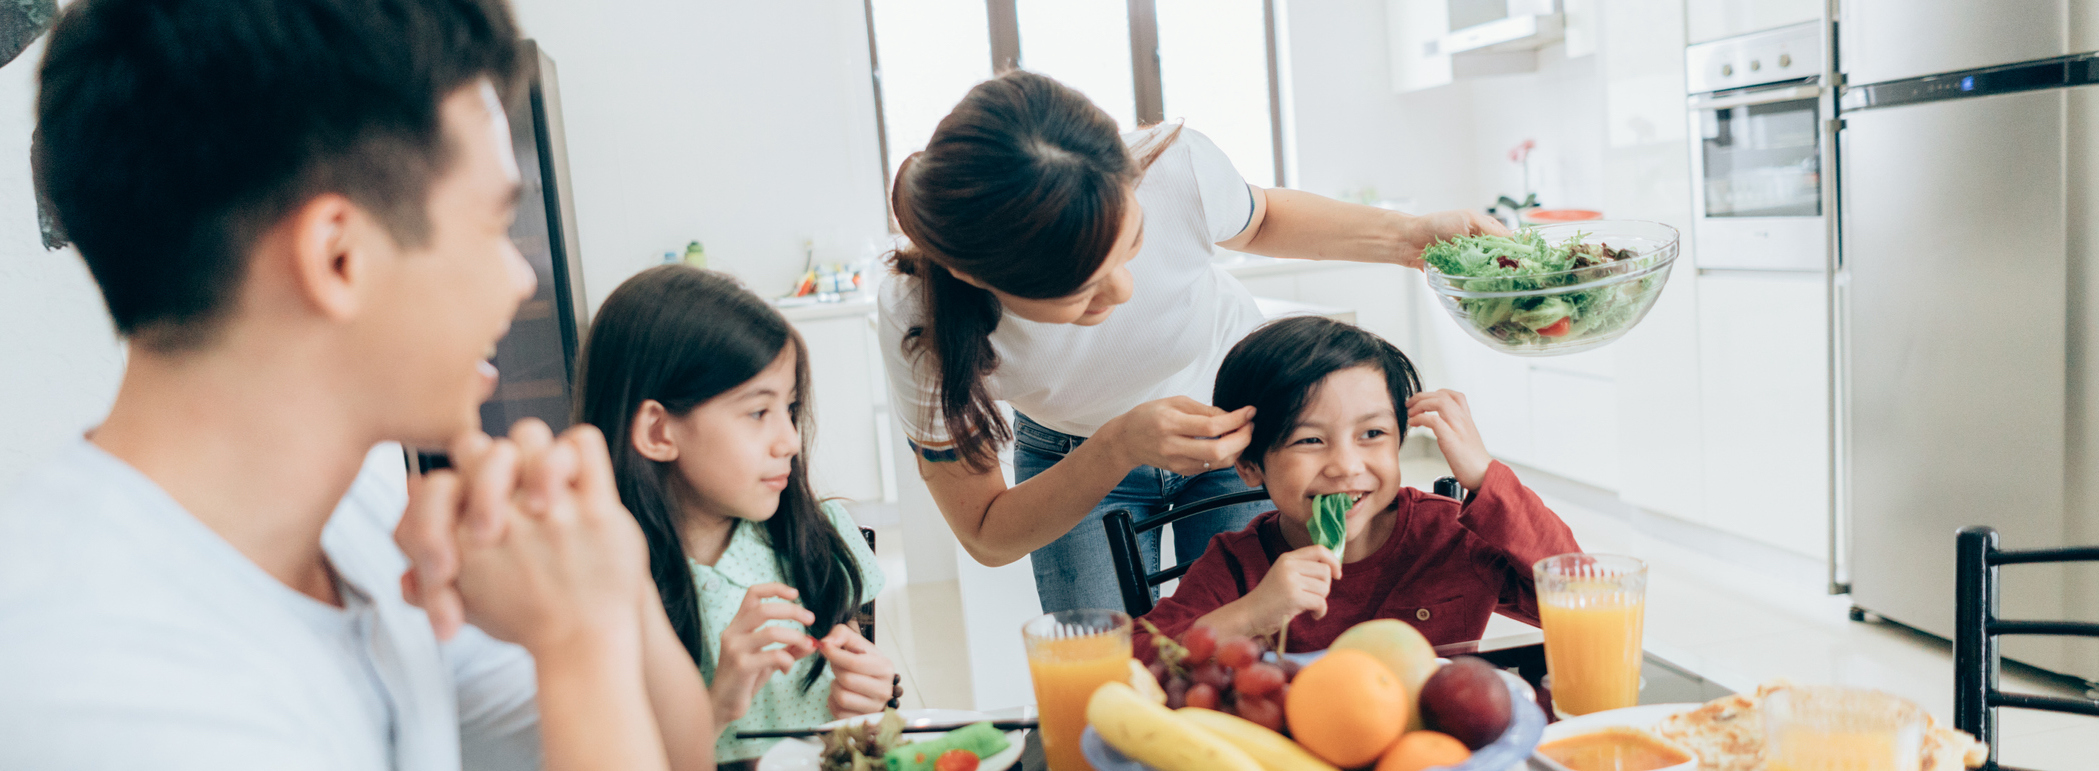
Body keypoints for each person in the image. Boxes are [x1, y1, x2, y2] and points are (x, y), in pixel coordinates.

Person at [0, 0, 714, 768]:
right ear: (340, 258)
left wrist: (608, 572)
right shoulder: (102, 679)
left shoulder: (362, 521)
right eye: (492, 226)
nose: (517, 277)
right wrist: (577, 641)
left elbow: (671, 751)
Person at [880, 70, 1512, 613]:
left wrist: (1411, 239)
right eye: (1081, 292)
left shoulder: (1174, 167)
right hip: (1076, 454)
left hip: (1237, 420)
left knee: (1265, 636)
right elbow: (989, 534)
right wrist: (1121, 444)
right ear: (973, 276)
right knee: (1111, 670)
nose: (1123, 292)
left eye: (1131, 248)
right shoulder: (922, 323)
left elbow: (1259, 218)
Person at [574, 266, 898, 764]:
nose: (789, 440)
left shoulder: (818, 536)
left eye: (789, 409)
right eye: (756, 413)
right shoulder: (602, 585)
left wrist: (873, 698)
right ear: (659, 432)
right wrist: (718, 703)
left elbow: (870, 721)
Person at [1134, 316, 1581, 652]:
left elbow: (1586, 599)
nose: (1346, 466)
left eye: (1372, 434)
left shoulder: (1450, 537)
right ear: (1250, 466)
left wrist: (1485, 477)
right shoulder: (1238, 566)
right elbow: (1133, 661)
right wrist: (1251, 614)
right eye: (1310, 440)